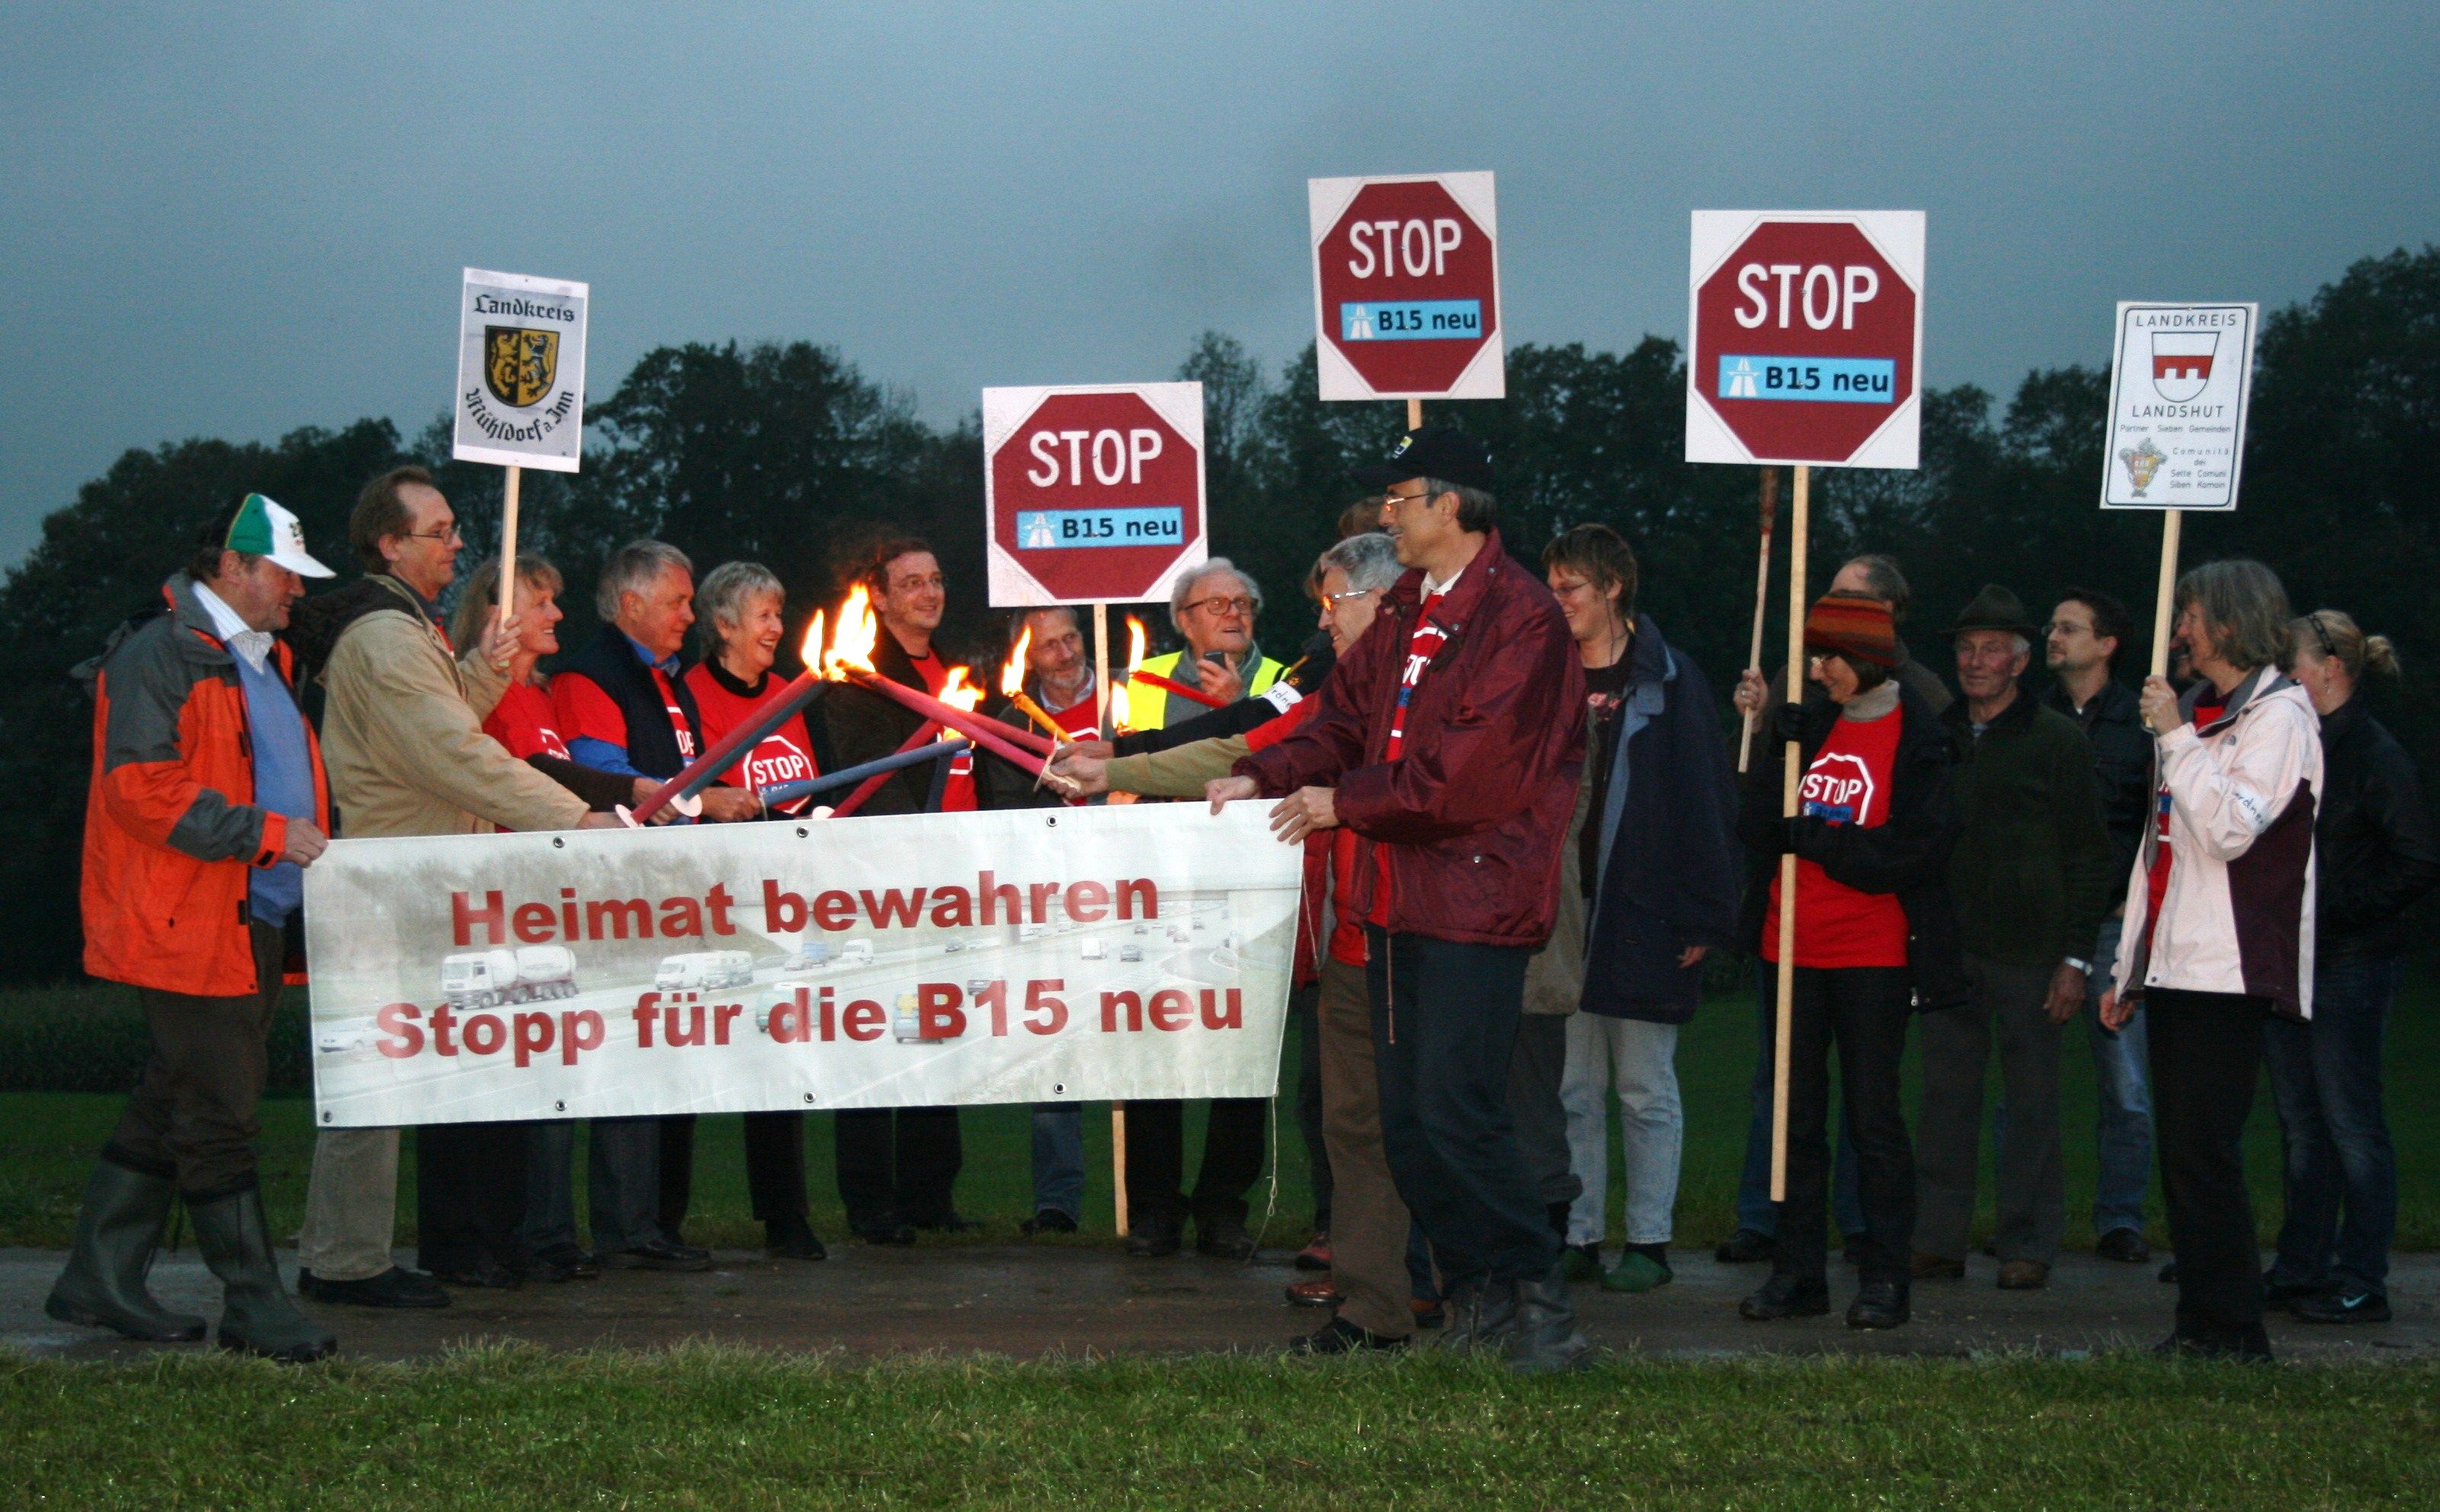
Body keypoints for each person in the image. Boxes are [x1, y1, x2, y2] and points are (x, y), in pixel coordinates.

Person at [1214, 425, 1593, 1372]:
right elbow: (1342, 718)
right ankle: (1480, 1297)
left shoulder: (1523, 620)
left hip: (1472, 905)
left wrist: (1340, 802)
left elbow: (1463, 776)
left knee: (1458, 1114)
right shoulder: (1406, 608)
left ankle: (1540, 1304)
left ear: (1449, 505)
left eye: (1399, 498)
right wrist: (1263, 772)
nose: (1387, 515)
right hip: (1392, 902)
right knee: (1411, 1124)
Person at [1058, 533, 1410, 1351]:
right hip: (1320, 918)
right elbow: (1257, 739)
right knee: (1345, 1112)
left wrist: (1292, 783)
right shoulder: (1329, 675)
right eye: (1319, 603)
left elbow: (1276, 741)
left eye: (1333, 602)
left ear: (1379, 600)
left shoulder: (1407, 676)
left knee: (1394, 1113)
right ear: (1180, 616)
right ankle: (1378, 1290)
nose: (1321, 620)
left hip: (1395, 923)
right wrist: (1125, 761)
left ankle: (1452, 1283)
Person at [290, 468, 623, 1307]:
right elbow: (451, 754)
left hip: (410, 876)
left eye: (453, 528)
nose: (458, 542)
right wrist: (573, 815)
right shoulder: (387, 638)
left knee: (386, 1074)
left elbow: (433, 727)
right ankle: (345, 1262)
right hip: (395, 885)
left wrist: (481, 668)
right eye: (438, 531)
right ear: (389, 543)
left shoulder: (407, 630)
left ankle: (344, 1252)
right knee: (376, 1076)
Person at [50, 495, 339, 1362]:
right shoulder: (161, 652)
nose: (296, 589)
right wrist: (266, 833)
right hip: (189, 918)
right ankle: (253, 1303)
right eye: (284, 572)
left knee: (172, 1094)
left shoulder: (261, 653)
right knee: (218, 1111)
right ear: (232, 567)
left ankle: (98, 1277)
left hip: (251, 914)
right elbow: (138, 789)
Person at [2101, 559, 2322, 1362]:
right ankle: (2200, 1320)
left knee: (2206, 1152)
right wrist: (2128, 964)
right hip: (2176, 961)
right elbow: (2156, 852)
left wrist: (2173, 737)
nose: (2178, 631)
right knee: (2185, 1154)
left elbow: (2229, 830)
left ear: (2229, 622)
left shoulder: (2279, 718)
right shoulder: (2199, 712)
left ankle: (2233, 1329)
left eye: (2189, 615)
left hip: (2228, 966)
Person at [1735, 592, 1965, 1331]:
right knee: (1794, 1120)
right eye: (1814, 656)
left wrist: (1817, 838)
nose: (1816, 670)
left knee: (1873, 1119)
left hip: (1871, 954)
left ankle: (1884, 1276)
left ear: (1865, 658)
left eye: (1828, 656)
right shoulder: (1812, 725)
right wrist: (1770, 747)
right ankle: (1797, 1273)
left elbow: (1910, 851)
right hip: (1789, 946)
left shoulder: (1918, 736)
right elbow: (1757, 827)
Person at [1540, 526, 1741, 1296]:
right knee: (1572, 1088)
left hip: (1646, 913)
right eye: (1551, 588)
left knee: (1644, 1085)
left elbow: (1705, 799)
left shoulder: (1669, 681)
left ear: (1612, 586)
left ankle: (1650, 1239)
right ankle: (1580, 1233)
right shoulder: (1545, 676)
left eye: (1570, 589)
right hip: (1564, 914)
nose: (1557, 603)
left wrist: (1702, 914)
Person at [446, 555, 657, 1283]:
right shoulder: (483, 699)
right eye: (540, 601)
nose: (557, 614)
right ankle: (534, 1232)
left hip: (559, 903)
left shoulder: (540, 695)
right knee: (535, 1074)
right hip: (512, 906)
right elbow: (539, 777)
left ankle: (555, 1230)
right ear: (496, 614)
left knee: (566, 1066)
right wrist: (637, 789)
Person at [1911, 587, 2113, 1292]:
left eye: (1991, 649)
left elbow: (2090, 853)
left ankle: (2026, 1243)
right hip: (1949, 948)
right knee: (1944, 1101)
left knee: (2030, 1105)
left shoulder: (2056, 740)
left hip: (2033, 954)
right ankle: (1936, 1240)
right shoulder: (1936, 735)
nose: (1975, 661)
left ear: (2021, 661)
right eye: (1965, 649)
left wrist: (2075, 957)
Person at [549, 539, 744, 1272]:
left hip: (674, 892)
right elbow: (603, 775)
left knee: (674, 1056)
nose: (690, 615)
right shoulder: (589, 676)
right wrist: (701, 799)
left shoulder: (669, 678)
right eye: (677, 601)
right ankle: (626, 1225)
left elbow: (679, 770)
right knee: (634, 1058)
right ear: (630, 603)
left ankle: (659, 1219)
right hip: (620, 900)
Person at [2264, 610, 2435, 1323]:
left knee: (2351, 1123)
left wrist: (2335, 912)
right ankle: (2302, 1266)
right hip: (2296, 959)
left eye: (2291, 664)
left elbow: (2417, 858)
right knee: (2303, 1123)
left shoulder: (2372, 753)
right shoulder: (2297, 741)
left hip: (2350, 961)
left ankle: (2362, 1276)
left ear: (2330, 668)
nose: (2281, 677)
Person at [811, 536, 971, 1239]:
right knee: (877, 1035)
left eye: (935, 579)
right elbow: (871, 778)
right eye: (911, 583)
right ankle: (872, 1201)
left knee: (939, 1029)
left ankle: (930, 1194)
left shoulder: (957, 669)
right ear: (876, 597)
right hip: (891, 880)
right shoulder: (861, 675)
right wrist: (915, 860)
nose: (929, 593)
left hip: (959, 873)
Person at [682, 560, 838, 1262]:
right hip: (715, 905)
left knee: (780, 1055)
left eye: (780, 612)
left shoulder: (793, 694)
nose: (777, 626)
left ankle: (785, 1215)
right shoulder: (689, 693)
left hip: (788, 903)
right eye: (764, 615)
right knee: (691, 1057)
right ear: (723, 625)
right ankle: (660, 1219)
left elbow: (816, 787)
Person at [2042, 588, 2158, 1264]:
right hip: (2041, 927)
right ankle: (2030, 1220)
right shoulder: (2033, 718)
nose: (2053, 637)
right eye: (2051, 627)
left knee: (2125, 1083)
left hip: (2114, 927)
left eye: (2069, 627)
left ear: (2106, 644)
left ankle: (2119, 1218)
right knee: (2029, 1079)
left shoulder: (2142, 724)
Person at [1006, 606, 1105, 1239]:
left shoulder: (1125, 701)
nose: (1066, 653)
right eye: (1049, 646)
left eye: (1071, 637)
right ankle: (1058, 1201)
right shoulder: (1010, 722)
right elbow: (1002, 811)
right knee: (1053, 1049)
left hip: (1127, 895)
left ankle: (1150, 1201)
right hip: (1050, 905)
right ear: (1027, 657)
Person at [1127, 559, 1286, 728]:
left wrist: (1237, 700)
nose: (1234, 613)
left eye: (1242, 603)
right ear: (1186, 621)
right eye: (1216, 603)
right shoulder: (1137, 677)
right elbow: (1112, 745)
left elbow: (1291, 744)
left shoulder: (1288, 682)